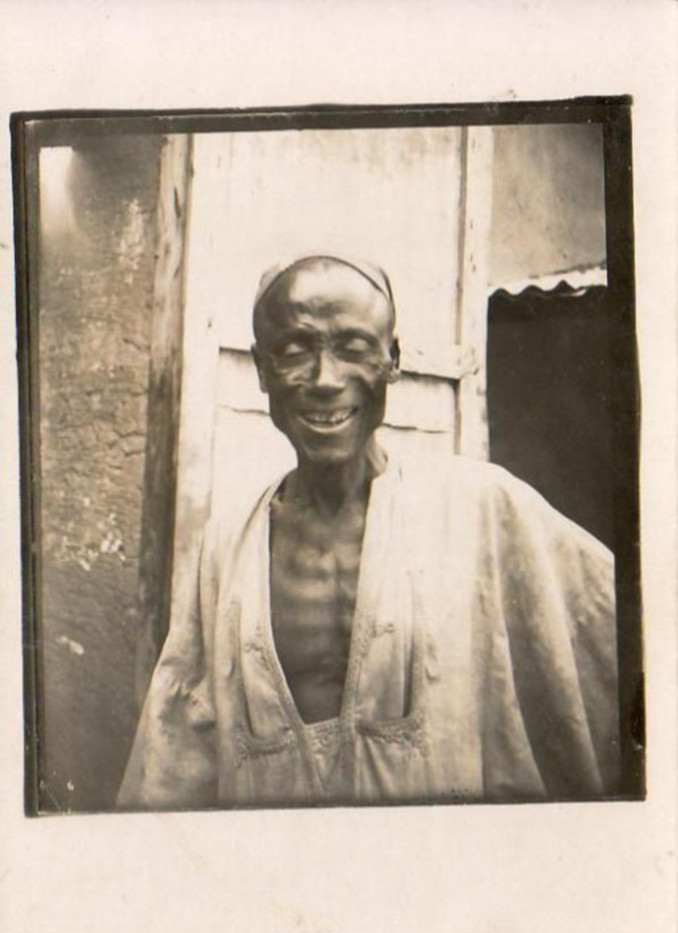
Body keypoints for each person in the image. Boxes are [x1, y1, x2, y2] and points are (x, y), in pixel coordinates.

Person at [117, 254, 620, 810]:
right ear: (261, 369)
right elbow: (176, 754)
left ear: (392, 360)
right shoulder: (227, 546)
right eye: (292, 352)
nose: (325, 380)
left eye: (354, 348)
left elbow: (620, 639)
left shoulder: (480, 508)